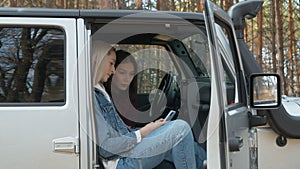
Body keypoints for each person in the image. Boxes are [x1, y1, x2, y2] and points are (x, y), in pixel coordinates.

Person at [92, 40, 206, 169]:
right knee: (181, 129)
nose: (113, 70)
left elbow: (120, 133)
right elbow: (106, 149)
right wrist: (142, 133)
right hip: (120, 162)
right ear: (99, 61)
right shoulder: (93, 95)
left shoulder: (100, 91)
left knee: (180, 138)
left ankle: (209, 162)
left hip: (124, 153)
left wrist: (151, 128)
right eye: (111, 64)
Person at [104, 50, 140, 127]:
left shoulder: (129, 96)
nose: (127, 79)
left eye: (131, 74)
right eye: (122, 72)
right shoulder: (104, 96)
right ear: (112, 71)